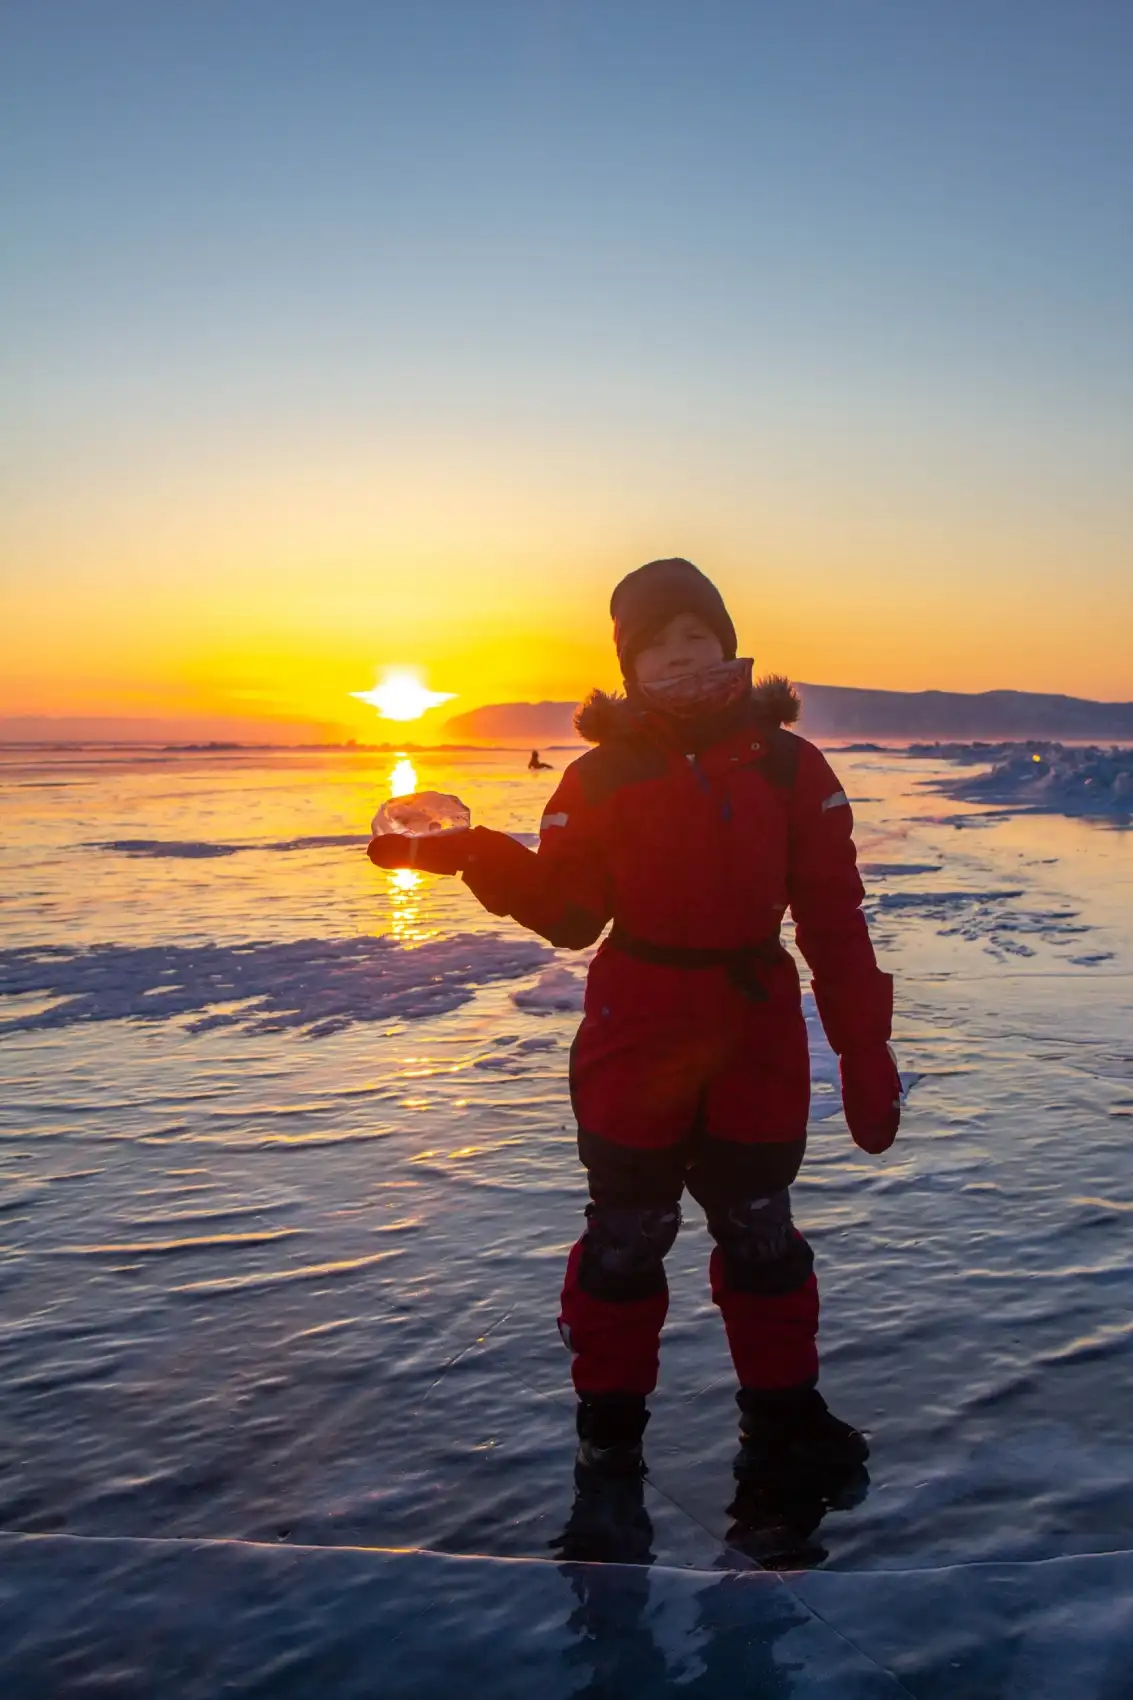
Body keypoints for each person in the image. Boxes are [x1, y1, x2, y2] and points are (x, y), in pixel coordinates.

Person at [369, 558, 901, 1476]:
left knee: (760, 1228)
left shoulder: (789, 766)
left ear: (728, 645)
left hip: (752, 1036)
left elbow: (832, 915)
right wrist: (477, 853)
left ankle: (782, 1414)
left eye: (697, 637)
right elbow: (572, 915)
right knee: (627, 1234)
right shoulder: (599, 777)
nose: (681, 658)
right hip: (635, 1031)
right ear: (630, 669)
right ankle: (609, 1426)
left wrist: (864, 1047)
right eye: (657, 648)